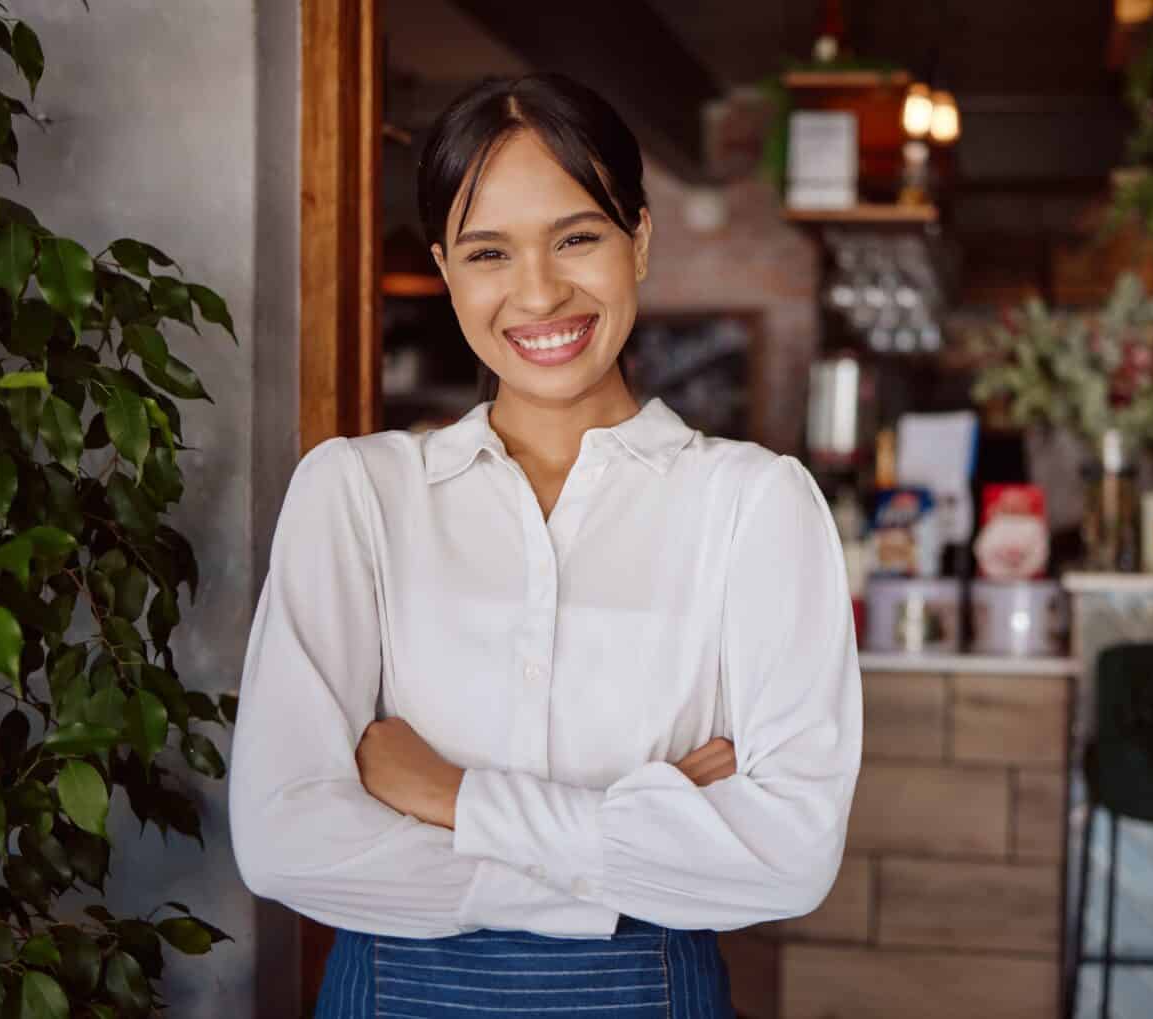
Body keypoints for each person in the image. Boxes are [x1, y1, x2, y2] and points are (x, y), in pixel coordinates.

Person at [227, 72, 863, 1018]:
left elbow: (788, 858)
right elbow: (284, 840)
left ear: (638, 239)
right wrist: (637, 829)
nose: (539, 291)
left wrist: (449, 796)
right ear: (444, 270)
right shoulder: (356, 494)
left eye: (577, 236)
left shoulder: (755, 506)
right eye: (489, 252)